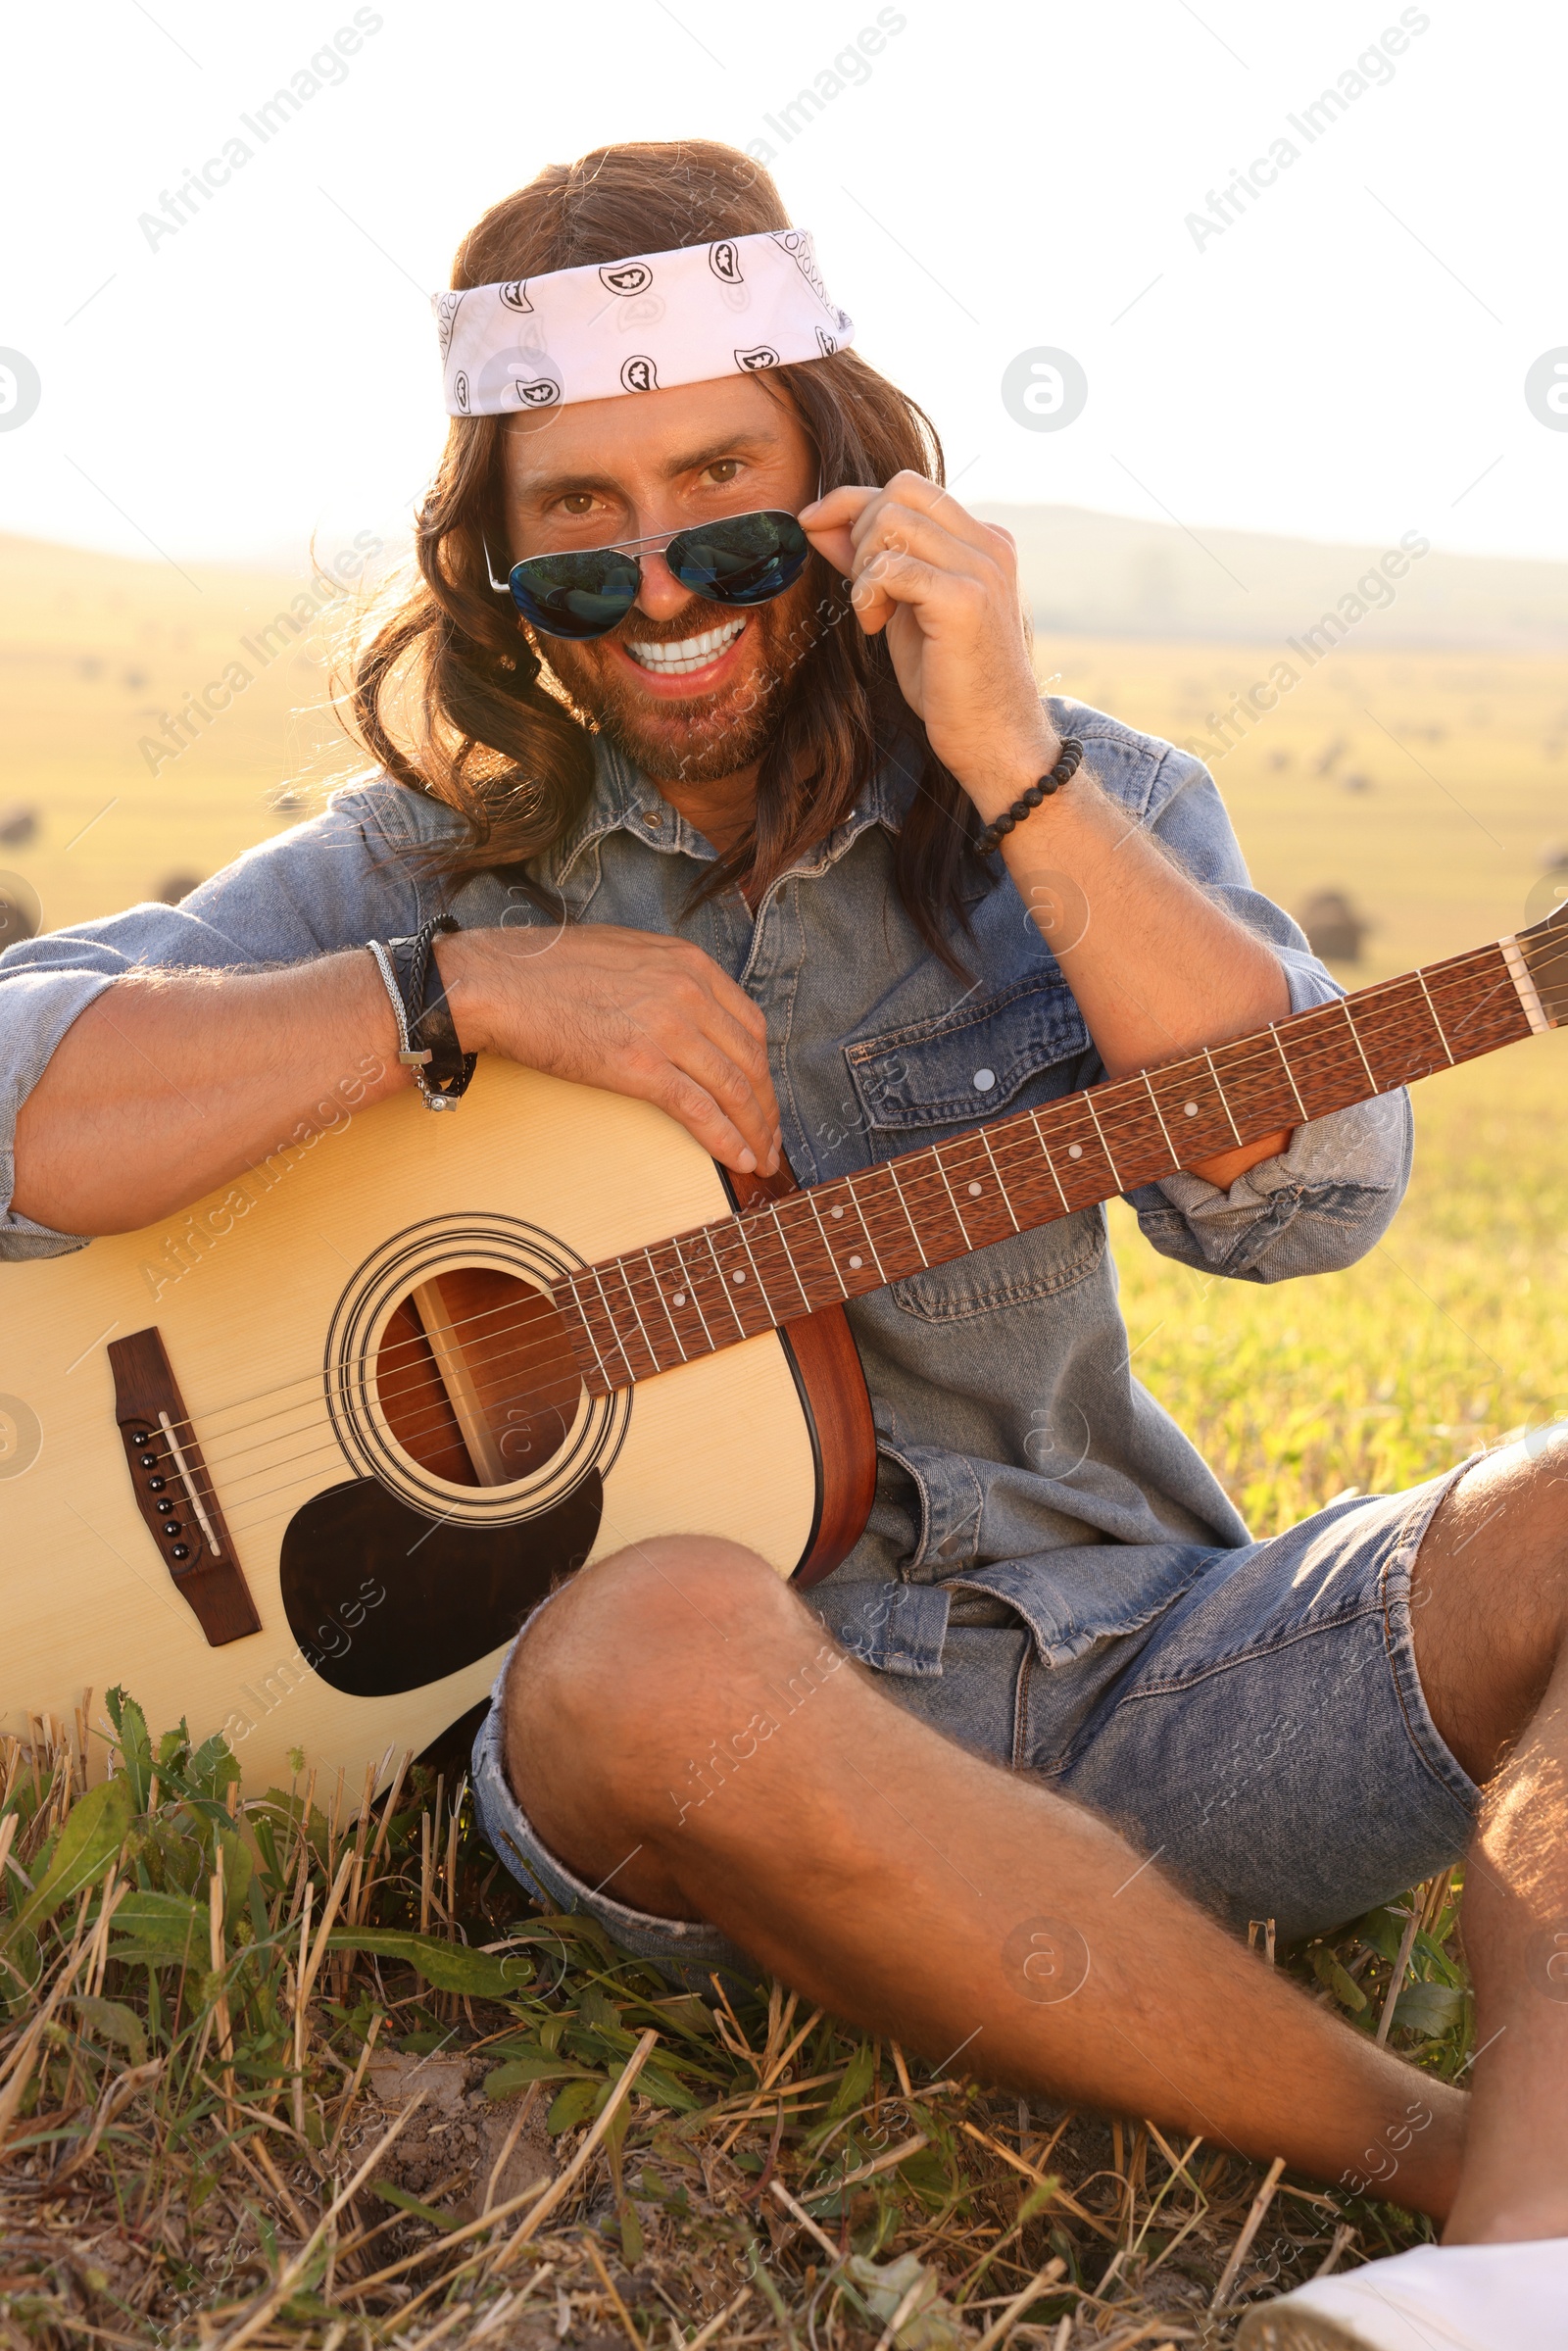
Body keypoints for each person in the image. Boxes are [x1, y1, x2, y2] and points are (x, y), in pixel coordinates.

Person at [3, 141, 1563, 2350]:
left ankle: (1514, 2278)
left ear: (837, 476)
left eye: (720, 489)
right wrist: (439, 1001)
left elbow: (1306, 1201)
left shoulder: (1086, 792)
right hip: (713, 1778)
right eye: (582, 528)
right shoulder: (421, 867)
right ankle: (1427, 2161)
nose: (663, 585)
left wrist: (1003, 750)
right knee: (661, 1640)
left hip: (1135, 1674)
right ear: (494, 552)